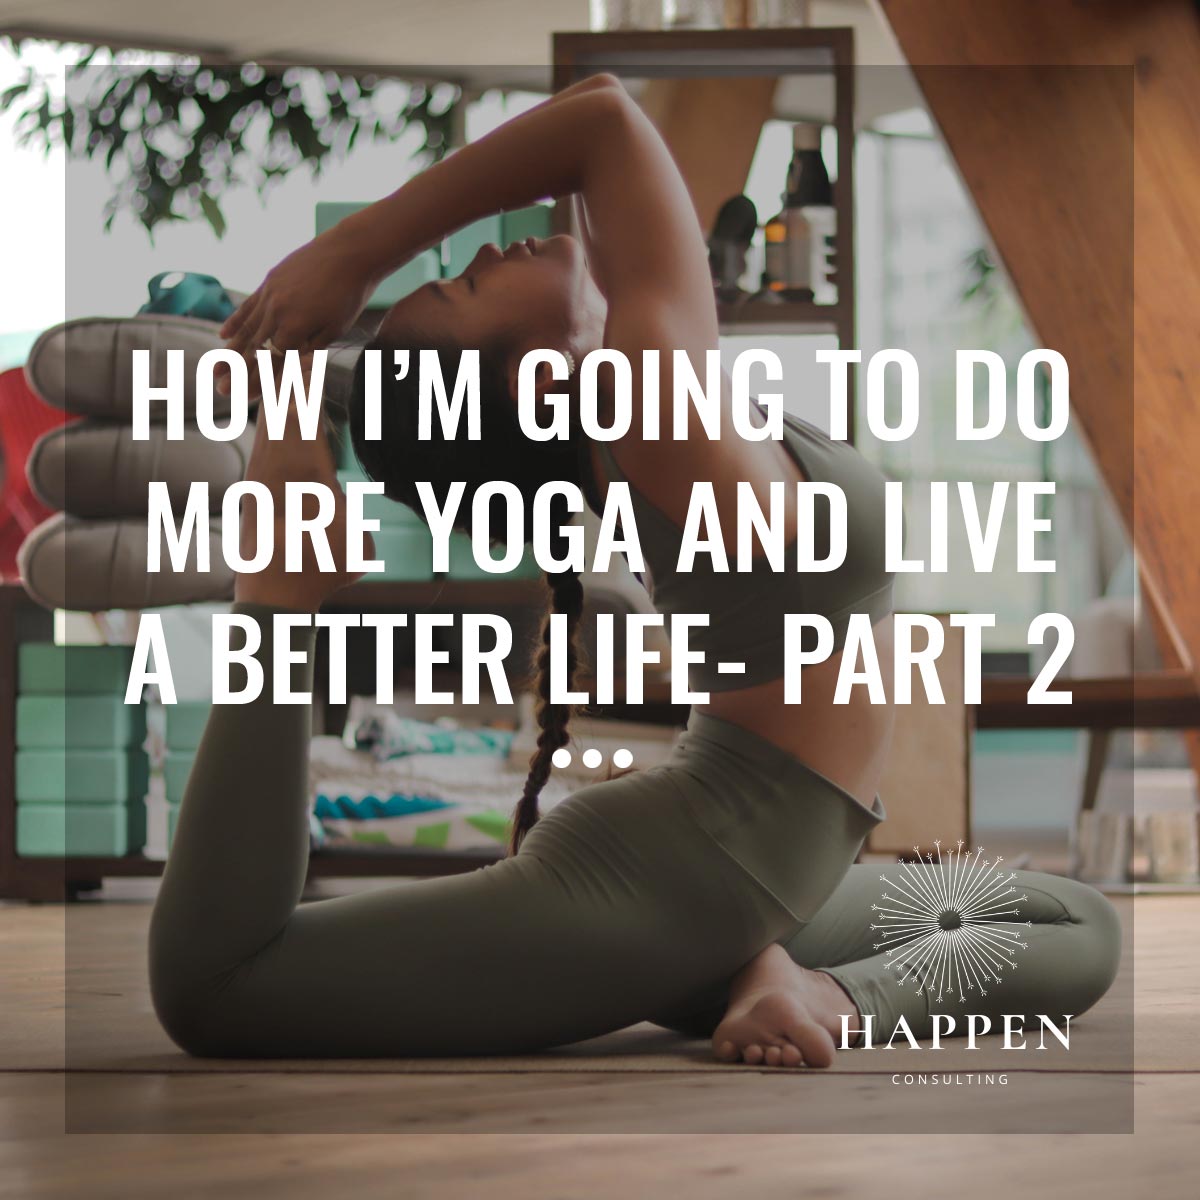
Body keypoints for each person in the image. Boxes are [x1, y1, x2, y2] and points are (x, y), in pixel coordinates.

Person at [149, 75, 1121, 1067]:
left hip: (751, 873)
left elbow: (597, 172)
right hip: (676, 876)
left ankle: (793, 983)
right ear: (540, 379)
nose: (485, 248)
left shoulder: (648, 410)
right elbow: (605, 118)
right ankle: (279, 586)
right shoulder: (655, 400)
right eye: (470, 287)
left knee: (1082, 926)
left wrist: (322, 324)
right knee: (220, 988)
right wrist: (352, 256)